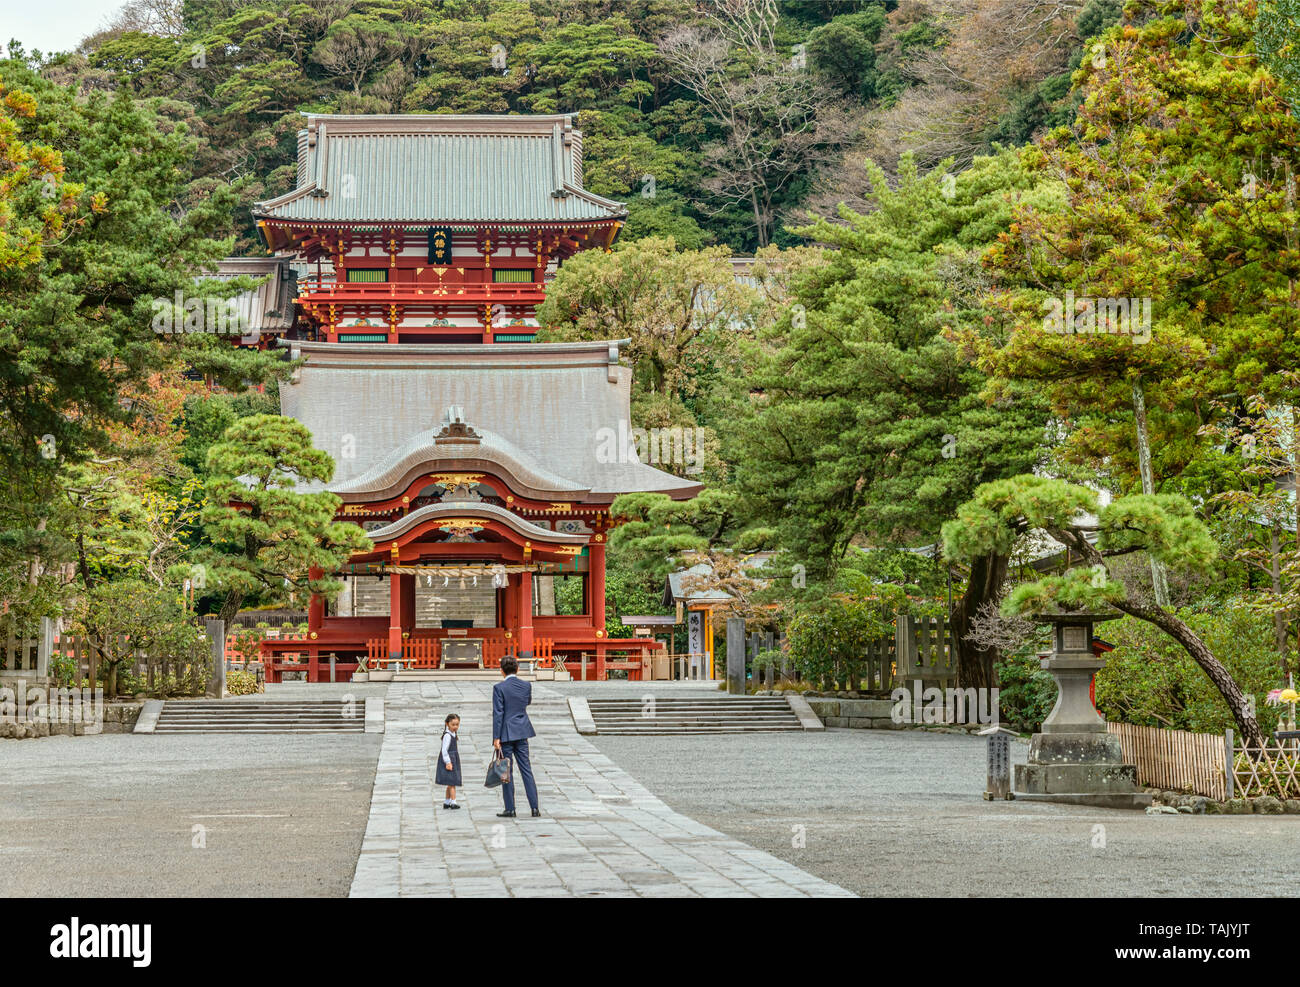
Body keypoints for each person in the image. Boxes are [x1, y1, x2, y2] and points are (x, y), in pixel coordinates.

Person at [492, 655, 539, 818]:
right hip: (522, 730)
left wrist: (496, 737)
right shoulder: (526, 685)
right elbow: (527, 702)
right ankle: (534, 808)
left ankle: (510, 808)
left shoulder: (499, 688)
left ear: (501, 671)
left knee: (506, 771)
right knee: (526, 769)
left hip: (505, 732)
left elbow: (498, 713)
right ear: (517, 669)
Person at [436, 713, 462, 810]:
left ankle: (446, 801)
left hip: (453, 759)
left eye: (457, 724)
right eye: (453, 724)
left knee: (449, 782)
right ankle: (453, 802)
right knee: (452, 783)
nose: (455, 727)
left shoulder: (453, 734)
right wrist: (448, 762)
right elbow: (444, 750)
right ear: (447, 724)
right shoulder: (447, 736)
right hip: (450, 760)